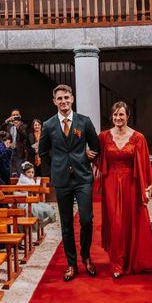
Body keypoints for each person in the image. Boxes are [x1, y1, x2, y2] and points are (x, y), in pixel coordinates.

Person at [39, 84, 99, 282]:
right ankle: (71, 263)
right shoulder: (48, 125)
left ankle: (86, 256)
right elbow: (42, 152)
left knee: (86, 220)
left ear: (72, 99)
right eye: (60, 99)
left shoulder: (84, 121)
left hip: (82, 178)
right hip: (62, 179)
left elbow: (96, 147)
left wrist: (87, 157)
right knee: (65, 224)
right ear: (54, 101)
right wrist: (58, 165)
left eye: (66, 97)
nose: (63, 101)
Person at [96, 102, 152, 278]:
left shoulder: (138, 138)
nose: (118, 118)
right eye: (115, 115)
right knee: (115, 223)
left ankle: (131, 259)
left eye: (121, 115)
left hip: (131, 183)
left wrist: (147, 187)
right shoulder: (103, 137)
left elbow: (145, 164)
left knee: (130, 221)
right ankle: (117, 263)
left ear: (128, 116)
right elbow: (96, 157)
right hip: (111, 184)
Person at [17, 161, 56, 228]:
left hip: (29, 200)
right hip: (24, 203)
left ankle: (42, 223)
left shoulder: (29, 179)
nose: (31, 174)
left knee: (48, 208)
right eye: (28, 172)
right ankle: (39, 224)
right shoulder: (24, 180)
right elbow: (34, 188)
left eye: (32, 172)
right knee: (42, 209)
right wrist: (38, 181)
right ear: (24, 173)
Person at [0, 108, 29, 177]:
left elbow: (24, 137)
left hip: (19, 151)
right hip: (9, 149)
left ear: (20, 116)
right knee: (8, 169)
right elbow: (0, 130)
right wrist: (7, 121)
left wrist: (18, 127)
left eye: (17, 115)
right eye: (13, 115)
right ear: (11, 116)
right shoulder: (8, 125)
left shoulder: (24, 126)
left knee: (20, 170)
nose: (15, 116)